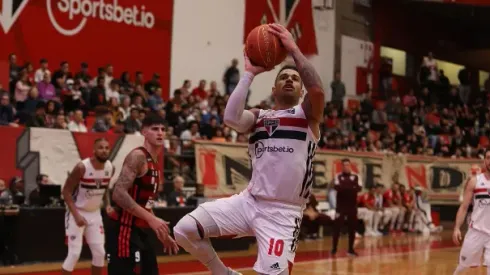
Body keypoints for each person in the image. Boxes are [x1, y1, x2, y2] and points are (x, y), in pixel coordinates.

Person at [173, 23, 325, 275]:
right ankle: (223, 273)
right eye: (283, 77)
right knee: (184, 230)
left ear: (301, 91)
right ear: (273, 89)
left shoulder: (307, 116)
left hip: (283, 213)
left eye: (295, 79)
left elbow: (318, 90)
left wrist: (293, 49)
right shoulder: (259, 116)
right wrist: (249, 73)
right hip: (249, 202)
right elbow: (231, 119)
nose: (289, 79)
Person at [107, 114, 179, 275]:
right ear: (144, 132)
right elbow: (118, 194)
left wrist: (161, 232)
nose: (160, 133)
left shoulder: (153, 162)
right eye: (155, 129)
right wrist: (152, 219)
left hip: (139, 230)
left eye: (162, 129)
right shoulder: (137, 157)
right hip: (123, 229)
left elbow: (145, 203)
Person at [61, 138, 114, 275]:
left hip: (95, 214)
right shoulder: (82, 167)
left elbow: (106, 187)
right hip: (76, 212)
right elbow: (66, 192)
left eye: (107, 148)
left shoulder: (110, 167)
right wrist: (77, 216)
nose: (104, 151)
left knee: (100, 253)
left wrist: (107, 204)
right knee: (74, 254)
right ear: (94, 150)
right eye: (101, 148)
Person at [453, 150, 490, 274]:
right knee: (462, 266)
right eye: (488, 158)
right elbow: (464, 207)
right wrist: (457, 228)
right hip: (476, 231)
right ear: (484, 160)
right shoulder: (475, 181)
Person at [331, 159, 362, 256]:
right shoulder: (338, 176)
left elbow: (359, 188)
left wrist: (345, 188)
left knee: (352, 228)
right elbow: (337, 187)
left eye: (348, 165)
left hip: (352, 207)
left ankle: (351, 249)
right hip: (340, 207)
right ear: (342, 166)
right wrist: (351, 188)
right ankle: (334, 249)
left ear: (350, 166)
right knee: (337, 228)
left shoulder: (356, 176)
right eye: (344, 165)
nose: (346, 167)